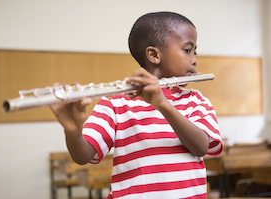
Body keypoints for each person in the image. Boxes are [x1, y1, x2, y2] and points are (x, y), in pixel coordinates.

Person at [51, 11, 223, 199]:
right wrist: (73, 131)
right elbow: (83, 156)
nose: (195, 59)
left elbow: (201, 147)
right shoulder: (115, 102)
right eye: (188, 50)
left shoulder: (196, 100)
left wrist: (163, 105)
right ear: (154, 55)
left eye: (195, 51)